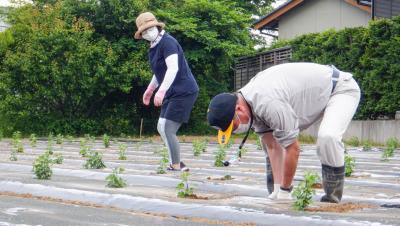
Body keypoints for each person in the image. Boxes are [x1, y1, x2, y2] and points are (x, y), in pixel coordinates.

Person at [207, 62, 360, 203]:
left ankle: (332, 198)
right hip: (317, 95)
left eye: (233, 127)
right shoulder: (249, 105)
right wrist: (276, 189)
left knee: (328, 137)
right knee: (269, 143)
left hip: (340, 89)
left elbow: (292, 149)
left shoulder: (267, 102)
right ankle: (276, 189)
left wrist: (285, 190)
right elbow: (272, 145)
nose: (236, 131)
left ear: (238, 109)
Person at [135, 12, 199, 171]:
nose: (147, 33)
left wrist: (161, 91)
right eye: (143, 32)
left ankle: (176, 165)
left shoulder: (168, 42)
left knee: (168, 128)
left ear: (157, 26)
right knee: (161, 126)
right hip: (171, 91)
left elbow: (173, 68)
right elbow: (159, 72)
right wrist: (150, 90)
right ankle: (176, 162)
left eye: (149, 29)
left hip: (184, 90)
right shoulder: (153, 47)